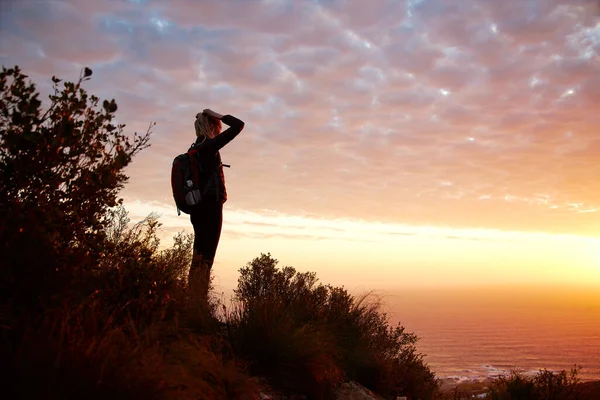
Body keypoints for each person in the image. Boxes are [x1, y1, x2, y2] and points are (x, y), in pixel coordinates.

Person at [189, 108, 244, 300]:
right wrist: (218, 115)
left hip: (197, 209)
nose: (221, 130)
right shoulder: (209, 147)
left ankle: (193, 302)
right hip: (210, 208)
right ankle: (197, 306)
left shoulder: (195, 148)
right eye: (218, 126)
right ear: (212, 127)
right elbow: (238, 125)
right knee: (206, 258)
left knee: (199, 256)